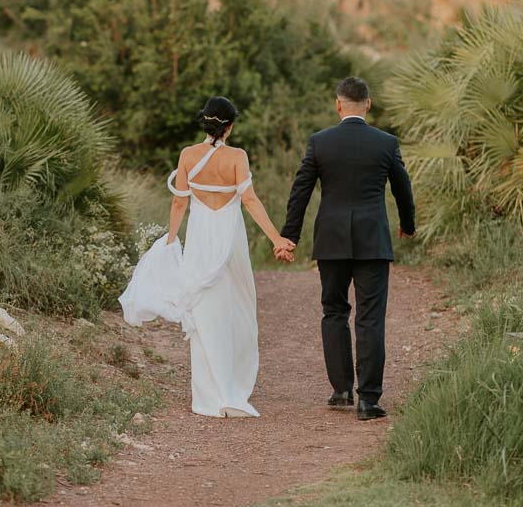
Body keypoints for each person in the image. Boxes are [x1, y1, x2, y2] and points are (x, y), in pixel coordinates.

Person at [119, 96, 295, 417]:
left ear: (205, 123)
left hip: (200, 239)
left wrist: (171, 243)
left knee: (203, 310)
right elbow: (250, 200)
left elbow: (178, 204)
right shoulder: (237, 157)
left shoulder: (188, 155)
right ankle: (233, 388)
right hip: (229, 240)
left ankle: (208, 397)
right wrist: (277, 239)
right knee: (237, 307)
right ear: (229, 127)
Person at [278, 77, 415, 421]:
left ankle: (341, 390)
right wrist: (408, 225)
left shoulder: (320, 142)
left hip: (332, 239)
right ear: (368, 104)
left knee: (334, 311)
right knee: (370, 318)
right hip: (373, 241)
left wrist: (289, 235)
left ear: (338, 105)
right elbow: (403, 188)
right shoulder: (386, 143)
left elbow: (301, 192)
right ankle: (368, 400)